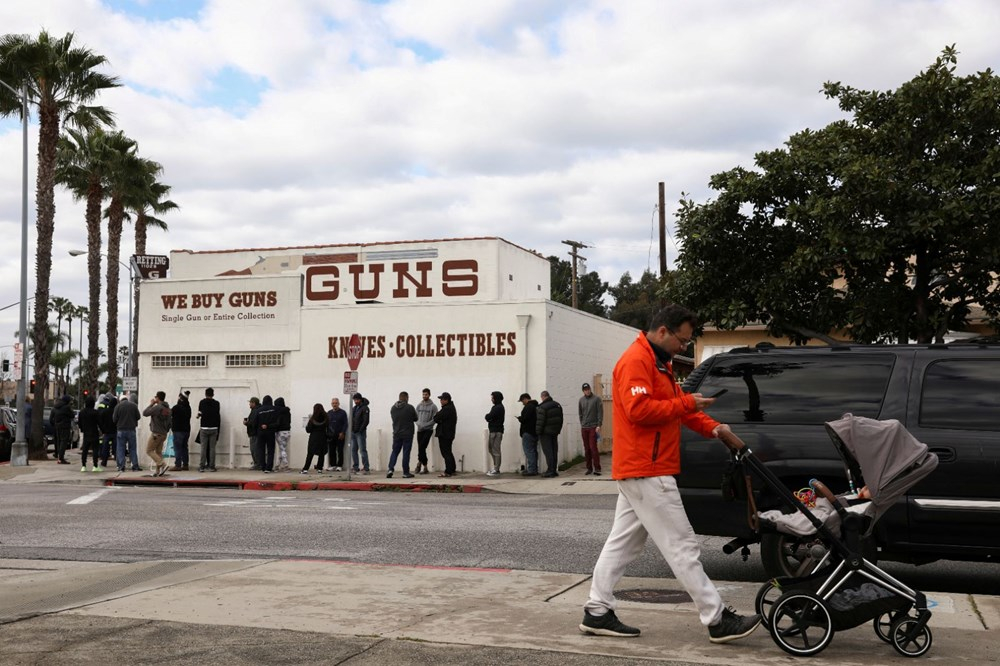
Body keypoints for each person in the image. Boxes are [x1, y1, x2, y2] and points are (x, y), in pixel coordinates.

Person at [580, 304, 761, 644]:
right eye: (682, 340)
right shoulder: (636, 361)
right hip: (647, 469)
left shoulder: (657, 364)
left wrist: (716, 429)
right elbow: (640, 411)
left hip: (641, 468)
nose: (683, 347)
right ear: (662, 331)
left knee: (623, 546)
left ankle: (597, 610)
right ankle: (717, 617)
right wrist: (688, 405)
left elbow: (680, 407)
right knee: (682, 546)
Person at [387, 391, 417, 479]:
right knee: (406, 453)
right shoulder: (410, 407)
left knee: (395, 452)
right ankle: (405, 472)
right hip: (407, 434)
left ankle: (390, 469)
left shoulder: (393, 408)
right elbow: (416, 418)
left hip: (396, 433)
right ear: (406, 398)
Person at [142, 390, 172, 477]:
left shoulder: (157, 407)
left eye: (155, 397)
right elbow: (170, 423)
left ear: (157, 398)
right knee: (158, 452)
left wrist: (151, 404)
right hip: (163, 434)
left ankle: (162, 464)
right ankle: (158, 471)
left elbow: (145, 413)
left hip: (156, 433)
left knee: (149, 450)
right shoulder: (168, 409)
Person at [535, 391, 563, 477]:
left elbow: (540, 421)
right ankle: (554, 470)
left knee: (548, 452)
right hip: (554, 432)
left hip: (545, 433)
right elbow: (561, 419)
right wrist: (558, 430)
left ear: (543, 397)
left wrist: (538, 432)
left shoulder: (542, 407)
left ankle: (550, 470)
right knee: (554, 451)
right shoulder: (557, 405)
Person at [579, 382, 603, 476]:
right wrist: (582, 423)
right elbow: (580, 413)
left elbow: (600, 413)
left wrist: (599, 425)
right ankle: (589, 468)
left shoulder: (597, 399)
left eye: (588, 389)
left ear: (590, 389)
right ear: (583, 391)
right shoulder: (581, 400)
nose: (587, 391)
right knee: (586, 449)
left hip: (593, 427)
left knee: (593, 448)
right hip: (584, 427)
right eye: (585, 390)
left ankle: (597, 468)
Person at [112, 395, 142, 472]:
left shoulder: (118, 406)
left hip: (121, 430)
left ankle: (121, 466)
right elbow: (138, 417)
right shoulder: (133, 406)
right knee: (132, 448)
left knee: (121, 449)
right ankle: (135, 466)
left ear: (121, 400)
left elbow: (114, 419)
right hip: (131, 430)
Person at [433, 392, 457, 477]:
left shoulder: (447, 409)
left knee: (445, 452)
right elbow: (438, 418)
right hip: (448, 433)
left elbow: (436, 418)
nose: (440, 401)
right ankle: (452, 469)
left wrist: (439, 419)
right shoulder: (450, 408)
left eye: (442, 399)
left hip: (445, 434)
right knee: (448, 452)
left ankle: (448, 471)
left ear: (446, 400)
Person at [414, 388, 437, 474]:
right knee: (421, 447)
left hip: (428, 430)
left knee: (422, 446)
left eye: (426, 394)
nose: (424, 396)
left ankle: (420, 464)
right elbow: (415, 417)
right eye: (423, 394)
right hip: (420, 430)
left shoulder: (433, 406)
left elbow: (435, 419)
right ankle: (424, 466)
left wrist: (426, 425)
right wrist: (419, 424)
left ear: (429, 395)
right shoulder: (419, 406)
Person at [197, 387, 221, 472]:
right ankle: (212, 466)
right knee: (212, 448)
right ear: (213, 394)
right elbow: (218, 415)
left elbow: (200, 413)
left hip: (204, 427)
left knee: (203, 448)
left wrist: (198, 416)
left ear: (205, 394)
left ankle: (202, 466)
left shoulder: (202, 402)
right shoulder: (217, 403)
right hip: (214, 428)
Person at [301, 403, 329, 474]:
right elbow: (328, 426)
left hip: (314, 437)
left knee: (310, 453)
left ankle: (305, 469)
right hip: (323, 437)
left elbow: (308, 430)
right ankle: (320, 468)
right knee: (321, 453)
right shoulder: (326, 417)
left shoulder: (312, 418)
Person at [77, 395, 102, 472]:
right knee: (95, 450)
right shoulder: (95, 412)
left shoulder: (81, 412)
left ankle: (83, 466)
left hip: (86, 433)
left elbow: (79, 423)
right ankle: (95, 466)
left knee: (85, 450)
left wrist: (82, 429)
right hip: (94, 432)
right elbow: (99, 423)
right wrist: (102, 430)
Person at [517, 393, 539, 476]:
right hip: (534, 432)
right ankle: (534, 468)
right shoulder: (536, 406)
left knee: (529, 451)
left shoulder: (528, 407)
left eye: (522, 401)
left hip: (528, 432)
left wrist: (520, 418)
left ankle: (532, 470)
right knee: (533, 451)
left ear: (525, 399)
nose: (522, 403)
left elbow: (525, 419)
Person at [484, 391, 505, 476]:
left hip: (496, 431)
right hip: (494, 430)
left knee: (495, 450)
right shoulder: (498, 407)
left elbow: (489, 416)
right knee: (491, 449)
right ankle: (496, 467)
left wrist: (488, 417)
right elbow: (489, 417)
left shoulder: (497, 407)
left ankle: (496, 469)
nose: (491, 399)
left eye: (492, 398)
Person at [350, 392, 371, 474]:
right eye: (355, 400)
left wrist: (360, 429)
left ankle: (366, 468)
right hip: (353, 432)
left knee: (362, 450)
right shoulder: (354, 408)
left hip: (360, 432)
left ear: (360, 399)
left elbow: (366, 421)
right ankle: (355, 467)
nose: (356, 401)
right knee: (353, 450)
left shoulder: (365, 408)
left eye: (357, 399)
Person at [325, 397, 348, 471]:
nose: (334, 404)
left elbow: (345, 423)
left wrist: (343, 432)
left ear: (338, 404)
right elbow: (327, 424)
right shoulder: (329, 413)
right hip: (331, 436)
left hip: (340, 435)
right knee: (331, 450)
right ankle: (333, 465)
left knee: (340, 450)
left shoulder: (343, 412)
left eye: (336, 403)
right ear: (331, 404)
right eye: (333, 403)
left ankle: (339, 465)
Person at [256, 395, 277, 473]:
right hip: (270, 432)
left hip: (260, 432)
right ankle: (268, 467)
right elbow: (277, 421)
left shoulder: (259, 410)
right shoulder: (274, 409)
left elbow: (256, 421)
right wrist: (269, 426)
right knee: (270, 450)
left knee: (261, 449)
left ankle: (263, 466)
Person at [171, 390, 192, 471]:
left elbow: (170, 414)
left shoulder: (176, 407)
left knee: (177, 448)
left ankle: (178, 464)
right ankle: (185, 464)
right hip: (186, 430)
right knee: (184, 447)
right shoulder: (188, 408)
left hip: (178, 430)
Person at [51, 395, 74, 464]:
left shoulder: (55, 407)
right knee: (64, 442)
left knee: (59, 441)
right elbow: (72, 415)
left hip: (57, 426)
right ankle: (61, 458)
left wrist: (55, 424)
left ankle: (58, 455)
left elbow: (51, 419)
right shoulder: (67, 407)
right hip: (65, 426)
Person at [96, 390, 117, 468]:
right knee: (116, 447)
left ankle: (104, 461)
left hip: (106, 432)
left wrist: (103, 429)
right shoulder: (116, 411)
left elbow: (100, 420)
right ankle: (118, 461)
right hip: (115, 431)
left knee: (105, 447)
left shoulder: (104, 411)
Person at [274, 397, 292, 471]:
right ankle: (277, 465)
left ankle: (286, 465)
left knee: (282, 449)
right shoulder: (288, 412)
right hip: (287, 432)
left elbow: (277, 423)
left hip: (280, 432)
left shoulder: (278, 412)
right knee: (282, 449)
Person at [244, 397, 261, 470]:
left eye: (250, 402)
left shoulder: (255, 411)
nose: (249, 404)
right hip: (255, 433)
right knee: (256, 449)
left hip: (254, 433)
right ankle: (258, 463)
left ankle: (257, 464)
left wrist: (247, 423)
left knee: (254, 449)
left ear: (254, 403)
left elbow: (253, 422)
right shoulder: (257, 410)